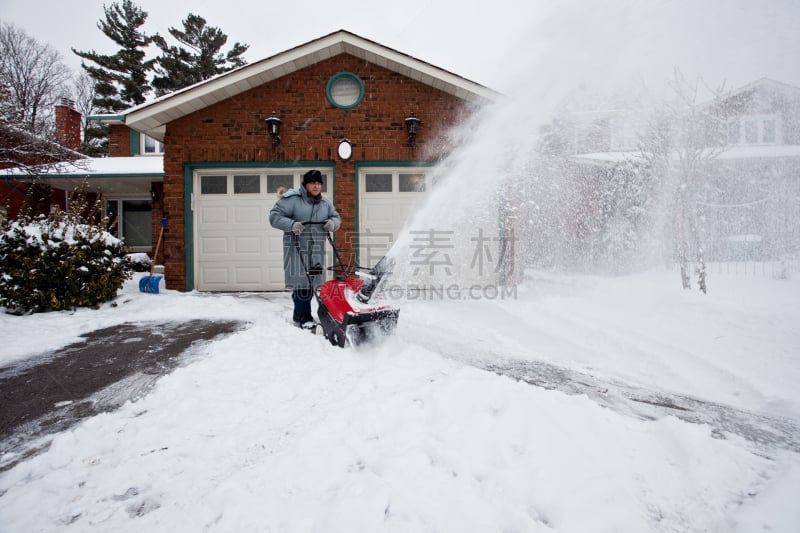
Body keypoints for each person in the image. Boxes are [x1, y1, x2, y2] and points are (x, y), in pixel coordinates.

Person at [269, 169, 341, 328]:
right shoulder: (292, 200)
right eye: (312, 183)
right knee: (301, 285)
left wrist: (332, 223)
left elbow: (336, 217)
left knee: (314, 284)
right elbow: (274, 217)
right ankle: (304, 317)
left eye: (318, 183)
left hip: (316, 252)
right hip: (296, 250)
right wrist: (292, 225)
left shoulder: (325, 203)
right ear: (305, 184)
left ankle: (301, 314)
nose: (316, 186)